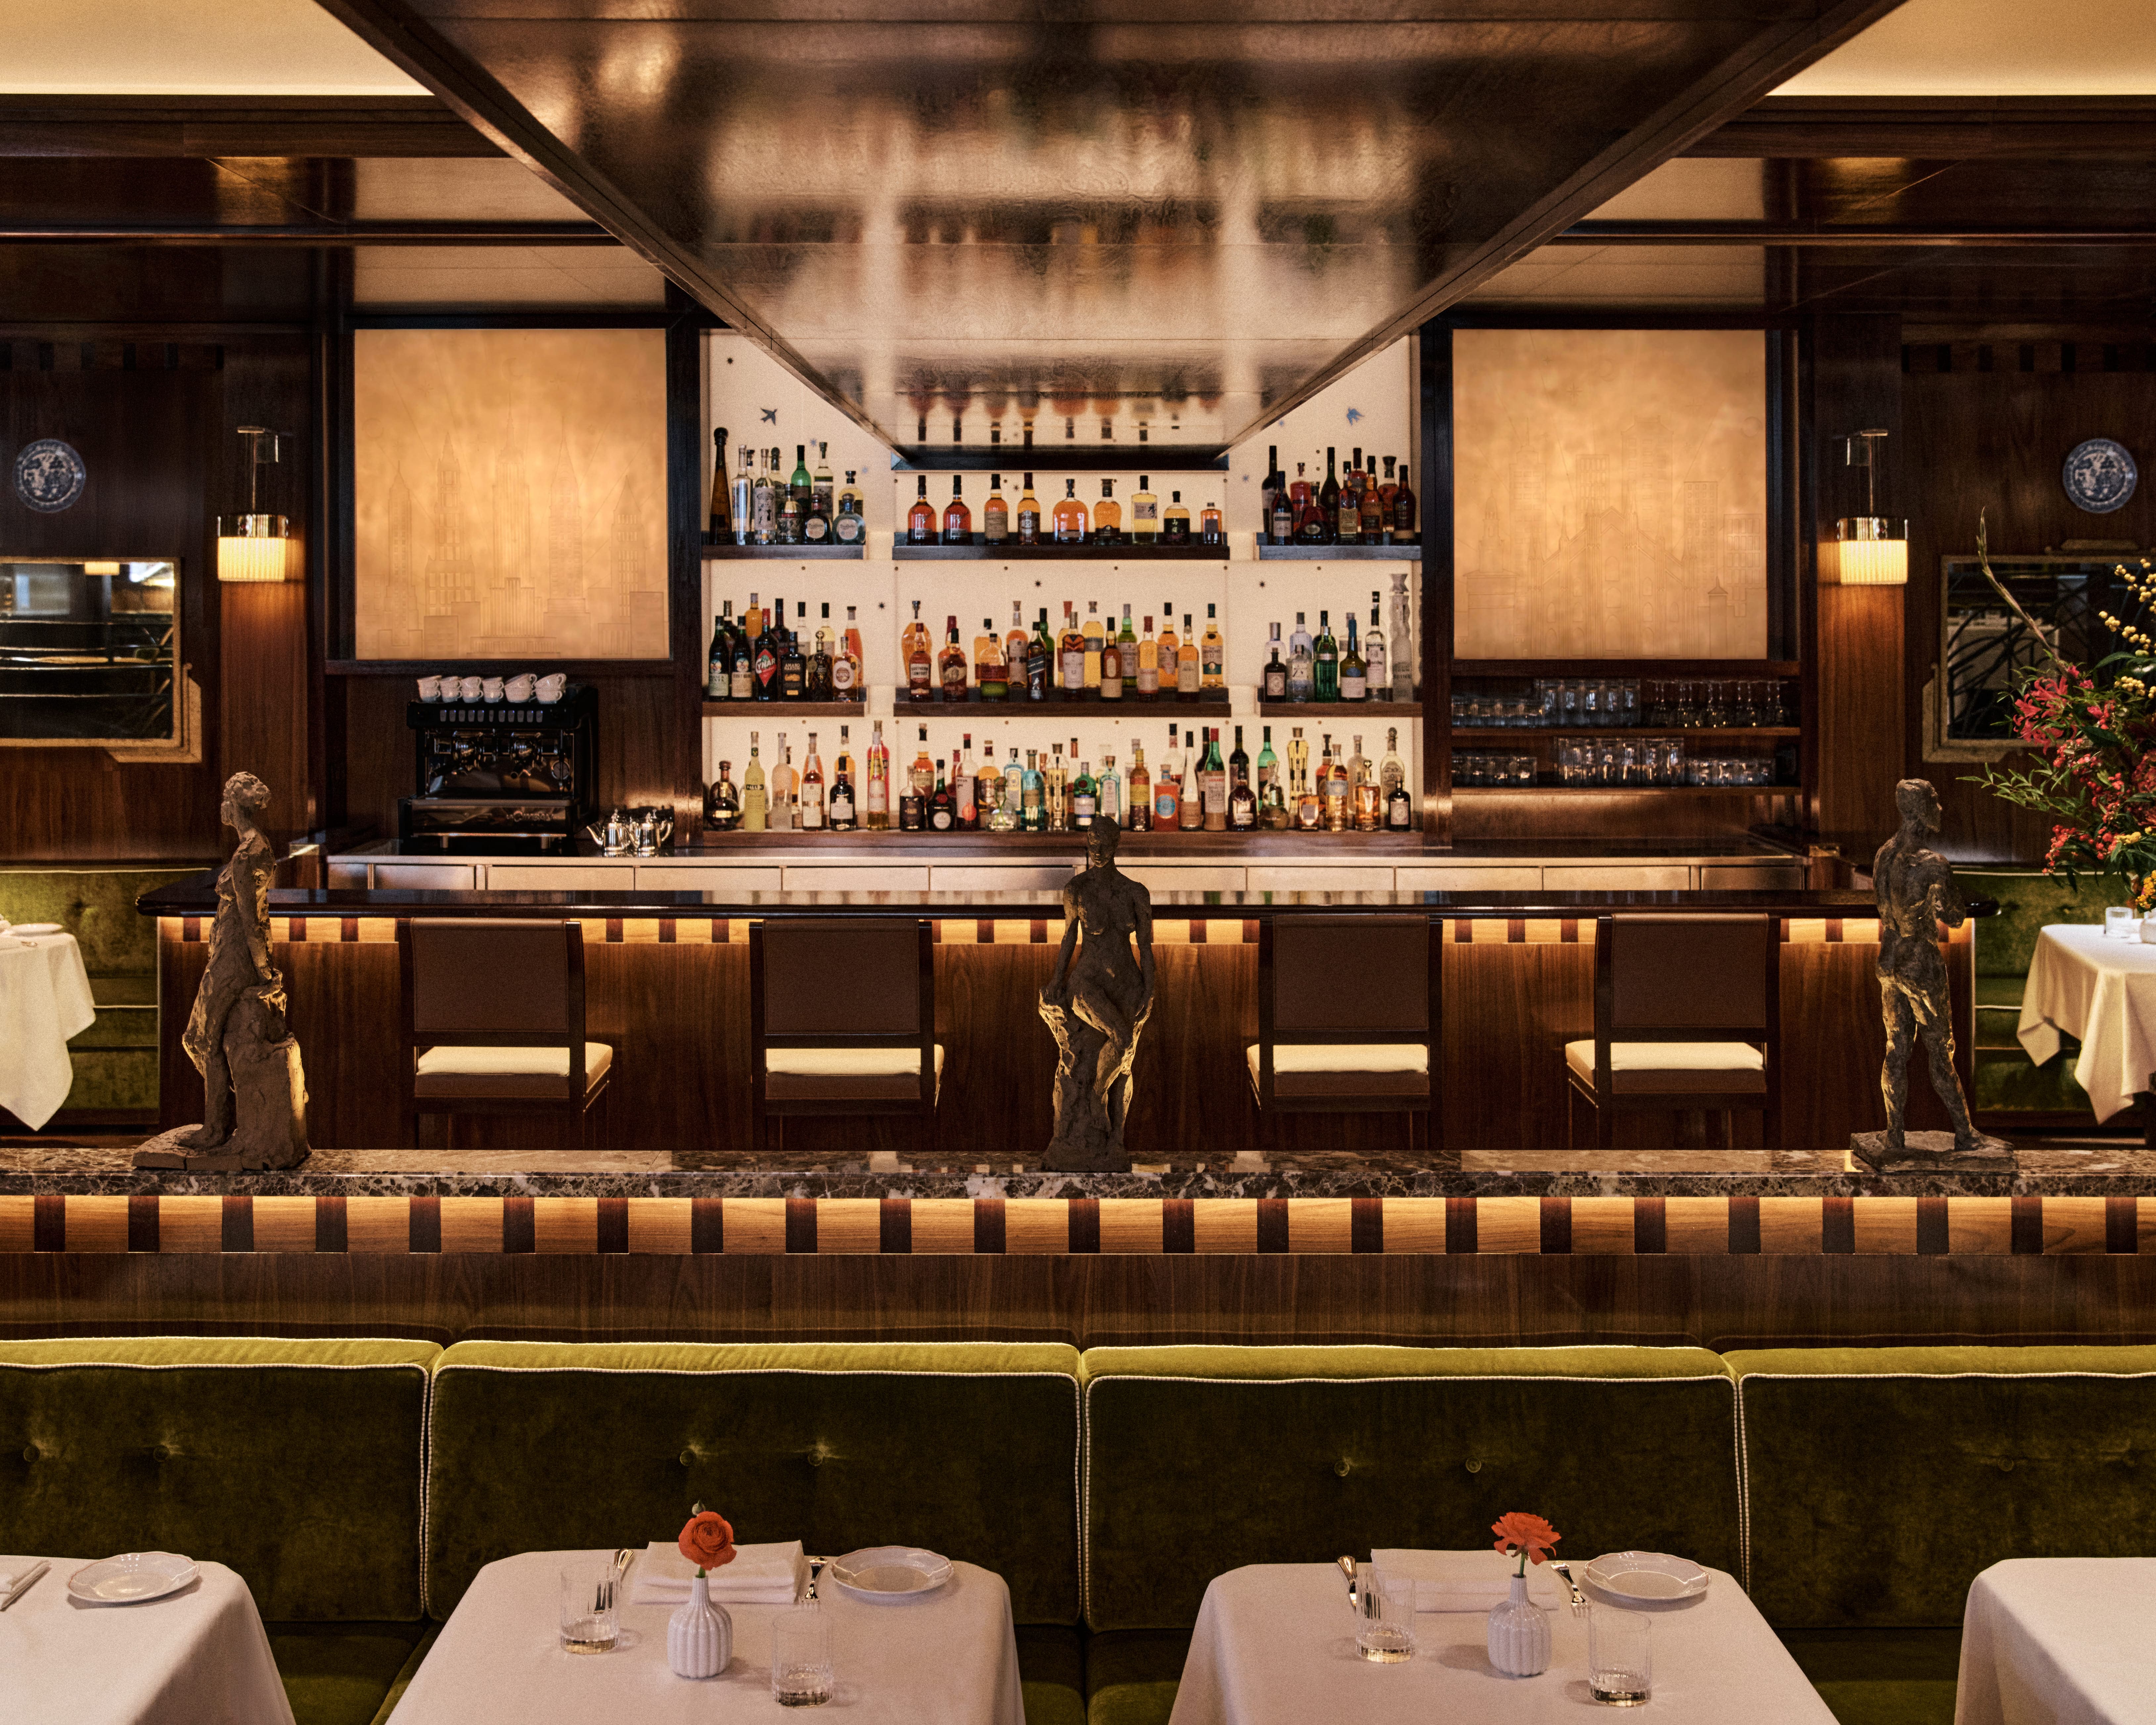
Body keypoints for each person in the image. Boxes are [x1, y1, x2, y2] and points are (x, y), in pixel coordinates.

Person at [1872, 777, 1980, 1157]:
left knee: (1895, 1048)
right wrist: (1938, 900)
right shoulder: (1932, 864)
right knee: (1940, 1048)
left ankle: (1894, 1134)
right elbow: (1953, 916)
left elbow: (1886, 907)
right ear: (1920, 810)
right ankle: (1964, 1133)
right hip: (1919, 961)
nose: (1940, 809)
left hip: (1888, 959)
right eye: (1934, 802)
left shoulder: (1883, 854)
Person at [1039, 817, 1156, 1168]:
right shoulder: (1076, 889)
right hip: (1086, 983)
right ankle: (1093, 1099)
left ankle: (1116, 1140)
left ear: (1117, 843)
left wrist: (1149, 990)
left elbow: (1146, 948)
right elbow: (1068, 940)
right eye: (1092, 842)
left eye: (1104, 842)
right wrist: (1057, 980)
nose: (1098, 850)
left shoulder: (1135, 892)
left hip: (1127, 984)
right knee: (1120, 1038)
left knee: (1124, 1061)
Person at [181, 771, 284, 1150]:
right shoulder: (253, 846)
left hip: (234, 958)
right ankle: (226, 1119)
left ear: (232, 806)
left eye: (224, 799)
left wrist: (263, 970)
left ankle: (216, 1128)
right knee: (200, 1038)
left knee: (202, 1038)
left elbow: (251, 917)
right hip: (229, 953)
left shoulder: (248, 854)